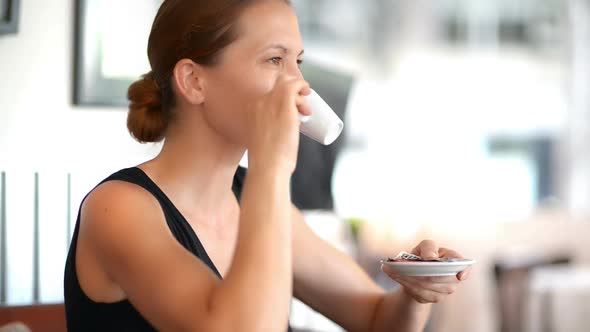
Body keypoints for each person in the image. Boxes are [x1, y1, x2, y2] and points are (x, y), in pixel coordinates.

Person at [64, 0, 471, 331]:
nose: (301, 86)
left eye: (298, 61)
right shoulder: (117, 209)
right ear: (193, 81)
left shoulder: (253, 197)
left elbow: (376, 319)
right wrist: (272, 164)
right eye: (274, 60)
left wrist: (417, 293)